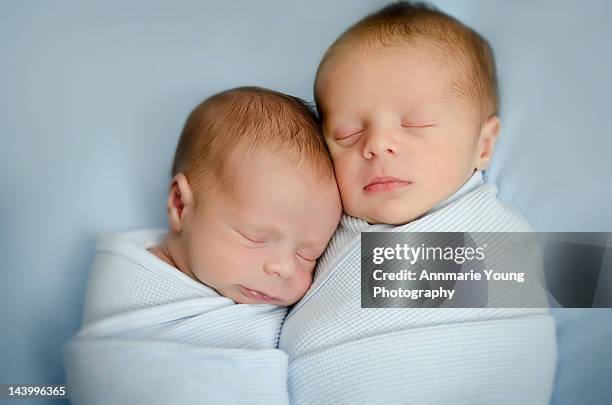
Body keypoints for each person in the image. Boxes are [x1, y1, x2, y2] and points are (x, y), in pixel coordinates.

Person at [278, 2, 557, 404]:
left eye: (416, 124)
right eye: (348, 133)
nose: (376, 145)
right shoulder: (320, 227)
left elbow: (570, 278)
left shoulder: (493, 231)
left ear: (484, 145)